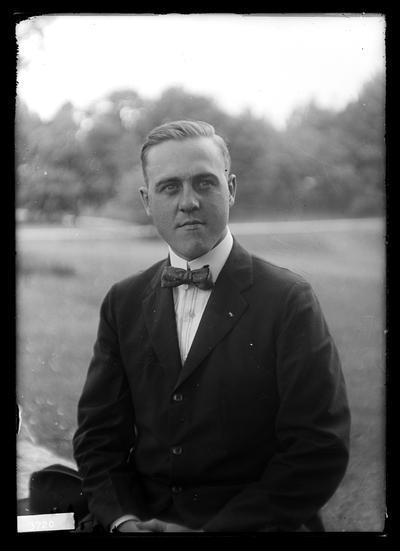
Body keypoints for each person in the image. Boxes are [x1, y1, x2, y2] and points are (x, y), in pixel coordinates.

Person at [72, 120, 351, 533]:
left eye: (204, 183)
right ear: (148, 201)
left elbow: (319, 448)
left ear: (231, 188)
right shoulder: (123, 301)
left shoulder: (289, 299)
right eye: (170, 187)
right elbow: (98, 438)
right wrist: (123, 519)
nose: (188, 202)